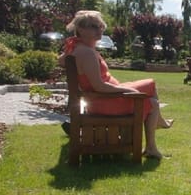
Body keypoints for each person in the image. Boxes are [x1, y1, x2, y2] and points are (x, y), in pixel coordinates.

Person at [58, 10, 174, 160]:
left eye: (100, 26)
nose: (99, 30)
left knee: (151, 91)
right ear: (80, 29)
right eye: (93, 26)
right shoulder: (87, 53)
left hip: (103, 99)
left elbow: (62, 60)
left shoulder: (78, 48)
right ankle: (154, 136)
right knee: (152, 99)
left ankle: (156, 130)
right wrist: (128, 90)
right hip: (104, 102)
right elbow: (99, 87)